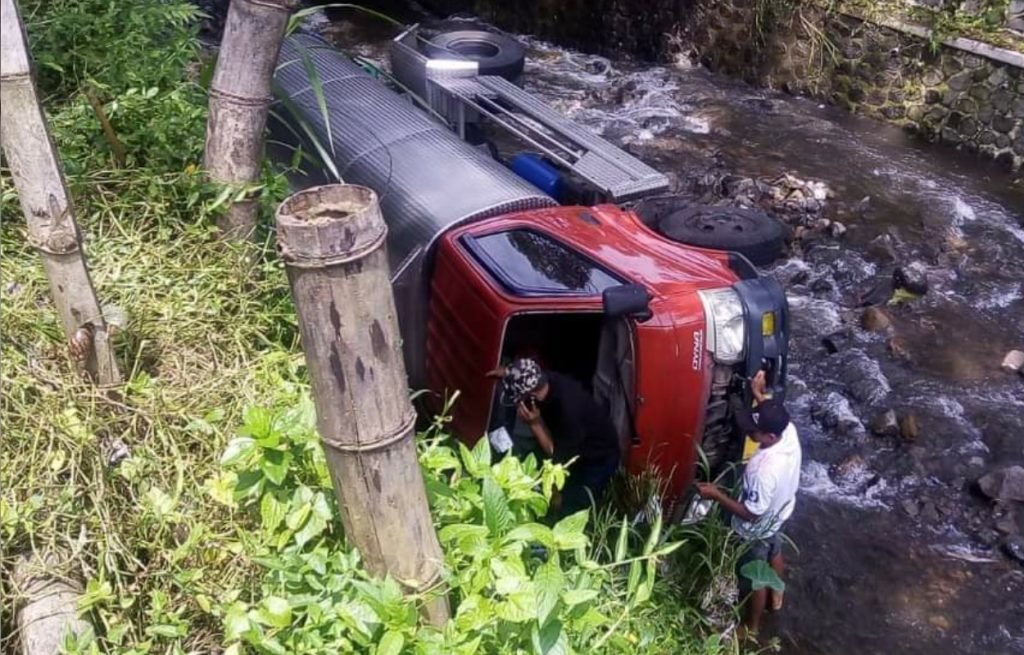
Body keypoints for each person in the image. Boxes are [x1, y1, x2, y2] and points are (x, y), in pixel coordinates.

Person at [696, 371, 802, 638]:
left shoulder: (762, 469)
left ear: (768, 437)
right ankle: (777, 594)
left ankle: (752, 626)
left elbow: (752, 514)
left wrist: (717, 494)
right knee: (775, 548)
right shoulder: (788, 433)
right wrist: (759, 395)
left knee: (754, 576)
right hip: (781, 511)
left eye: (754, 430)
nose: (750, 432)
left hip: (756, 526)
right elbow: (775, 415)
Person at [490, 358, 620, 517]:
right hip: (575, 440)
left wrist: (534, 424)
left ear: (531, 395)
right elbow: (527, 373)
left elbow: (557, 456)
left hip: (597, 456)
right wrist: (508, 372)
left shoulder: (567, 412)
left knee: (575, 503)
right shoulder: (544, 379)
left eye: (519, 398)